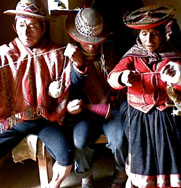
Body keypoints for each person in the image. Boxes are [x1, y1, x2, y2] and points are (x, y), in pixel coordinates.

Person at [107, 4, 181, 188]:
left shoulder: (172, 57)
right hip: (138, 114)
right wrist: (121, 77)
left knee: (172, 146)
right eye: (144, 34)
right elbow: (112, 78)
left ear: (163, 34)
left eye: (154, 33)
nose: (149, 39)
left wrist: (179, 77)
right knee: (143, 155)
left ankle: (167, 182)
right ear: (138, 36)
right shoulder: (132, 57)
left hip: (165, 111)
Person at [0, 0, 86, 188]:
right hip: (14, 120)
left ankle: (53, 185)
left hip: (46, 118)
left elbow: (74, 83)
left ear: (43, 27)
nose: (25, 31)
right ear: (15, 27)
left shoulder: (58, 53)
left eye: (32, 26)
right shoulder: (5, 54)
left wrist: (78, 63)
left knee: (66, 157)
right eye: (21, 25)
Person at [65, 7, 127, 188]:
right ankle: (86, 175)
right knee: (79, 140)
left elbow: (119, 83)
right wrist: (71, 106)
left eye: (95, 41)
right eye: (86, 41)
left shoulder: (111, 52)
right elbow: (68, 91)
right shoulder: (68, 55)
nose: (91, 45)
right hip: (84, 113)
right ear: (76, 37)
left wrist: (116, 98)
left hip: (111, 110)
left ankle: (121, 172)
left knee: (120, 138)